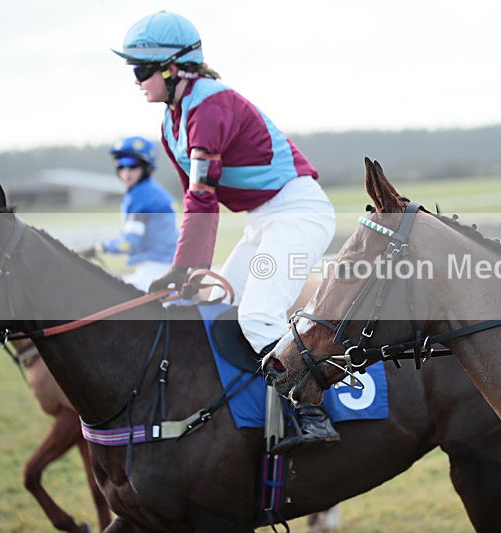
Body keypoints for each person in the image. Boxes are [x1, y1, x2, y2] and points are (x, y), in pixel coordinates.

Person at [113, 11, 339, 454]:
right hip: (262, 220)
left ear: (172, 69)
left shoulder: (210, 108)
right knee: (215, 305)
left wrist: (182, 270)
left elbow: (202, 200)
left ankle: (313, 413)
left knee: (256, 317)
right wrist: (188, 274)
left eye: (140, 70)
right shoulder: (171, 122)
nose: (135, 80)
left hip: (298, 213)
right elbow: (196, 202)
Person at [78, 136, 179, 292]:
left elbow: (129, 242)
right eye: (120, 165)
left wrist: (98, 248)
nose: (126, 171)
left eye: (132, 165)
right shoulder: (149, 190)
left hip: (156, 269)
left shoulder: (142, 196)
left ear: (147, 167)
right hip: (161, 265)